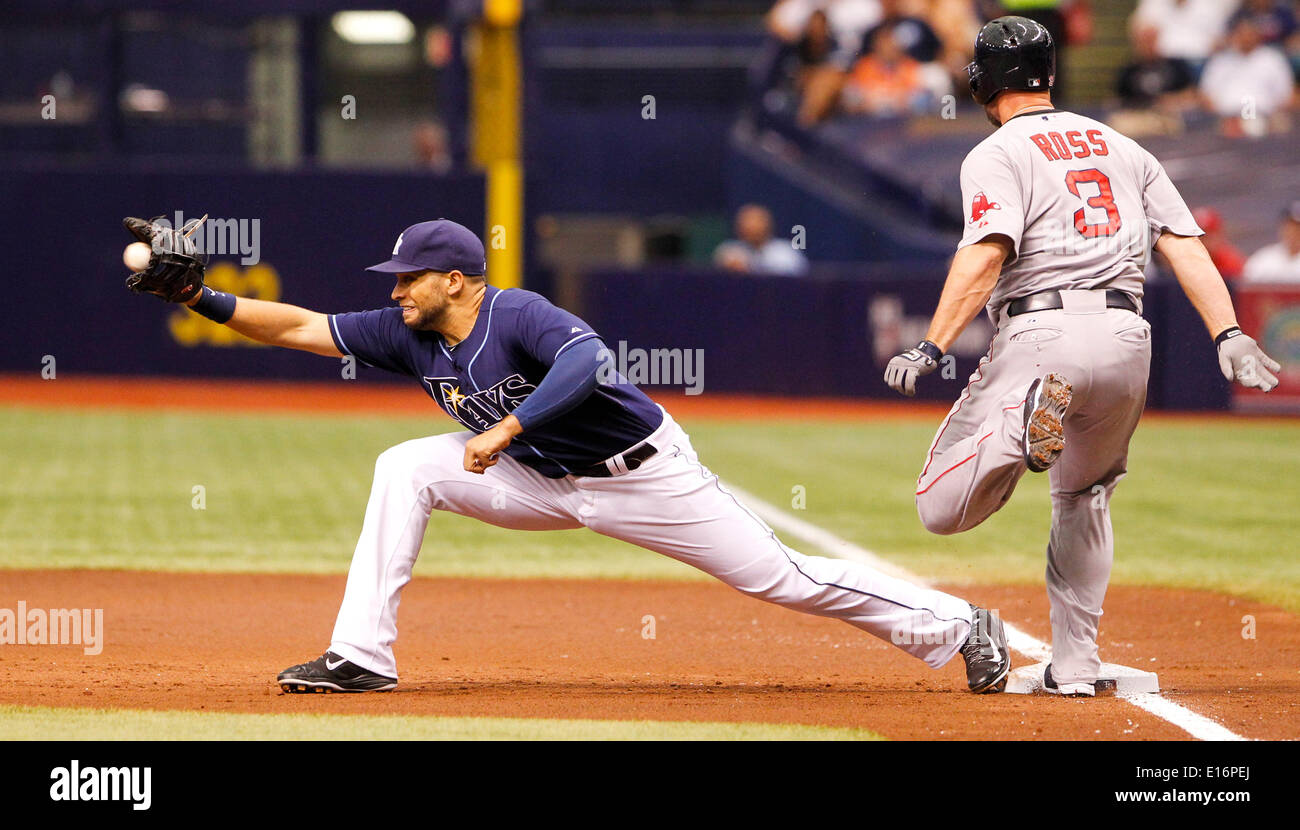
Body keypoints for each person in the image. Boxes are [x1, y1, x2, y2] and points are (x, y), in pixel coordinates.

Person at [123, 216, 1011, 694]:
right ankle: (363, 655)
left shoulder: (517, 313)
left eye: (408, 278)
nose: (393, 291)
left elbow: (589, 363)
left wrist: (505, 429)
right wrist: (201, 295)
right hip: (540, 481)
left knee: (780, 578)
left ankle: (960, 626)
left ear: (458, 280)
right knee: (403, 467)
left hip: (642, 476)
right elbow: (304, 327)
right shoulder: (408, 334)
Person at [883, 17, 1280, 696]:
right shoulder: (1125, 147)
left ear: (981, 82)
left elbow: (988, 250)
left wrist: (932, 343)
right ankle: (1074, 666)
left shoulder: (997, 151)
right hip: (1128, 339)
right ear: (1051, 77)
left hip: (1043, 336)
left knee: (939, 508)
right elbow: (1184, 244)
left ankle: (1018, 428)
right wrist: (1229, 333)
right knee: (1085, 497)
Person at [1199, 14, 1297, 136]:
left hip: (1266, 118)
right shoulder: (1220, 61)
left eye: (1249, 33)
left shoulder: (1272, 59)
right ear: (1234, 35)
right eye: (1241, 33)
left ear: (1257, 35)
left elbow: (1287, 95)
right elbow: (1206, 95)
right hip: (1227, 119)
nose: (1246, 38)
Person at [713, 204, 810, 275]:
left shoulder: (786, 252)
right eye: (746, 222)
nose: (750, 227)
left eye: (756, 221)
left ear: (768, 224)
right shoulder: (729, 251)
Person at [1242, 201, 1300, 282]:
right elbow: (1246, 285)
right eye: (1290, 227)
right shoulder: (1264, 258)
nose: (1294, 232)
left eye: (1297, 228)